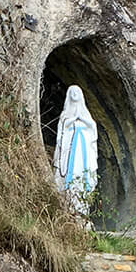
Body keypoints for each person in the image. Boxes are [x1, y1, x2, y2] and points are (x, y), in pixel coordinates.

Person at [53, 84, 98, 217]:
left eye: (77, 92)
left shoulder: (86, 115)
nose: (74, 94)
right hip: (70, 151)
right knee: (70, 176)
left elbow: (92, 129)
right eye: (71, 92)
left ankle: (82, 209)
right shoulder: (65, 115)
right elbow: (62, 131)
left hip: (83, 153)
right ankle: (68, 207)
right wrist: (72, 119)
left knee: (83, 176)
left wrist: (82, 118)